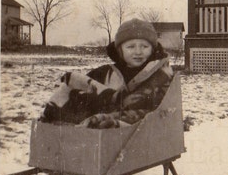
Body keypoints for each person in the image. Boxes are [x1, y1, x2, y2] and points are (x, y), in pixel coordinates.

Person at [41, 18, 174, 128]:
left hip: (138, 127)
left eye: (144, 46)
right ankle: (57, 116)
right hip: (101, 128)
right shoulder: (106, 72)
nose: (138, 52)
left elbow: (159, 108)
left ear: (152, 49)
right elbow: (86, 88)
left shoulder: (159, 74)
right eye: (131, 47)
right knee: (75, 86)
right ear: (120, 50)